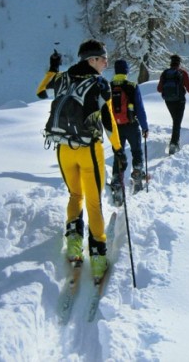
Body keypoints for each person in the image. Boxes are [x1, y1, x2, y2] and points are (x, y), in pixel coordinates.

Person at [36, 39, 126, 282]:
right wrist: (118, 150)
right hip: (89, 150)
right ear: (91, 60)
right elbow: (108, 121)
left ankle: (74, 245)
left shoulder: (63, 77)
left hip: (63, 149)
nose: (106, 62)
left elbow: (40, 91)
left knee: (75, 196)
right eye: (102, 58)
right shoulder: (99, 84)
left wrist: (53, 68)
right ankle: (97, 259)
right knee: (94, 202)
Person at [109, 59, 149, 199]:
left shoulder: (110, 86)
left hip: (115, 127)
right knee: (136, 151)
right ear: (126, 71)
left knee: (118, 155)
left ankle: (117, 182)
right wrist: (145, 127)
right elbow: (140, 108)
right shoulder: (131, 85)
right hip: (131, 125)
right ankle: (137, 175)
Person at [157, 54, 189, 155]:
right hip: (180, 101)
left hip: (168, 101)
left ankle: (175, 141)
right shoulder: (182, 73)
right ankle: (174, 143)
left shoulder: (165, 73)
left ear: (171, 63)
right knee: (177, 121)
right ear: (179, 63)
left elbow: (159, 89)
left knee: (175, 120)